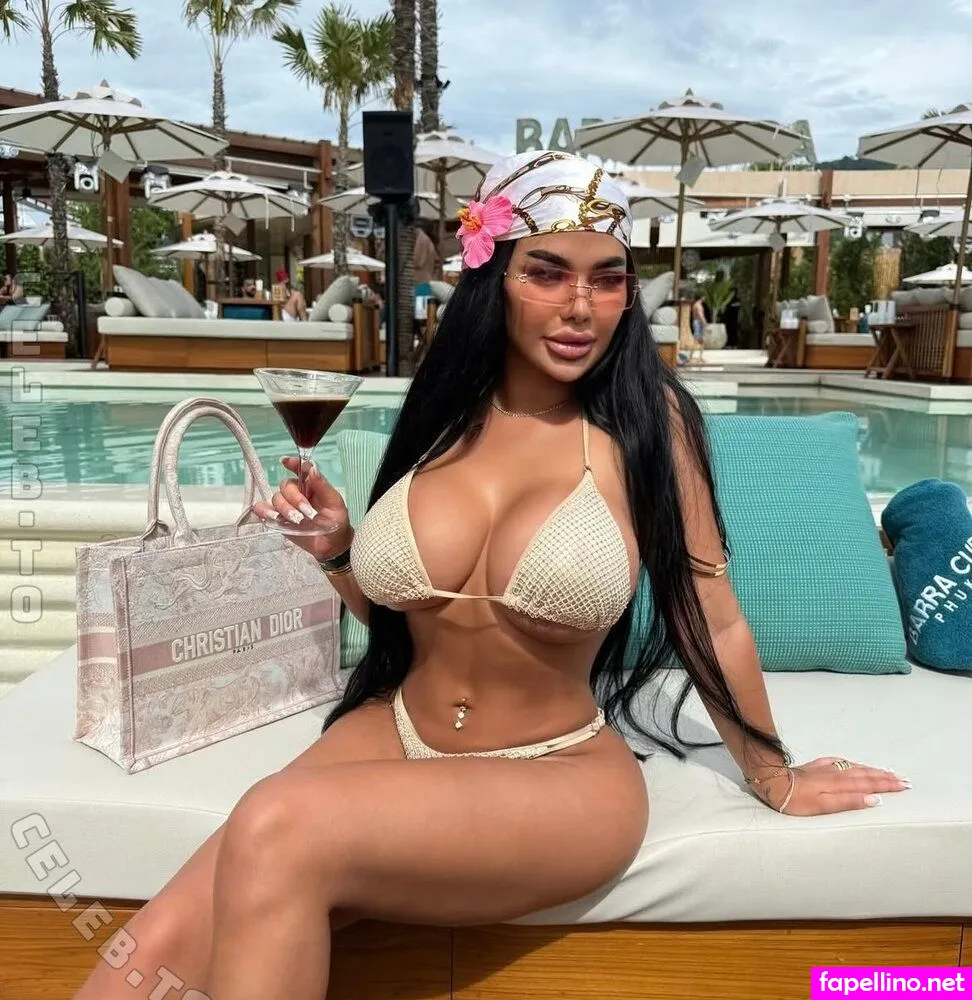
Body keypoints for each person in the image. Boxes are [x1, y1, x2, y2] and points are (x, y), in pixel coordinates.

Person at [73, 150, 906, 1000]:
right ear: (493, 277)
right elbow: (413, 620)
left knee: (273, 822)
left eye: (608, 279)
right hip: (396, 726)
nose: (580, 306)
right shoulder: (444, 410)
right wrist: (339, 550)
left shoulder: (648, 422)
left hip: (557, 769)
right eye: (547, 272)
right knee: (141, 958)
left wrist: (772, 773)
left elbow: (713, 617)